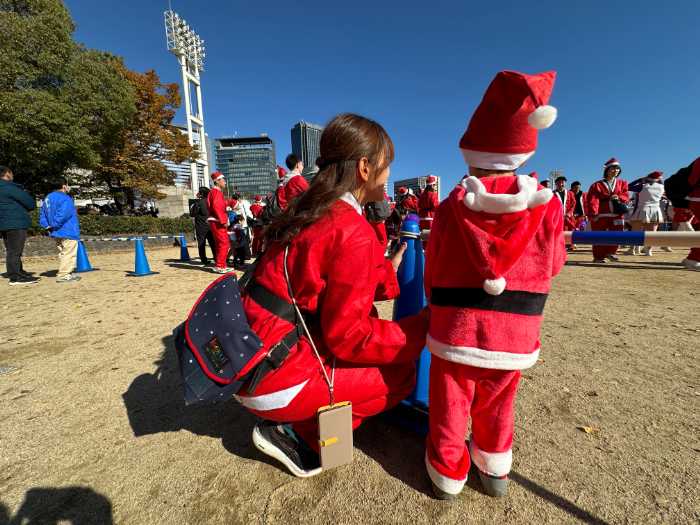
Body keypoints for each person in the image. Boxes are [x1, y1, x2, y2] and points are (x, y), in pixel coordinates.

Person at [236, 113, 429, 478]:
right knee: (400, 375)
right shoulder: (351, 228)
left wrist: (385, 266)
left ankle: (302, 421)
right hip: (276, 376)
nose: (389, 174)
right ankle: (299, 434)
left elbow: (326, 274)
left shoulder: (311, 208)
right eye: (387, 163)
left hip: (250, 355)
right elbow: (349, 337)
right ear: (364, 167)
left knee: (368, 351)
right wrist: (421, 330)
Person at [423, 70, 565, 500]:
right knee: (499, 401)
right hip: (516, 329)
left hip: (457, 325)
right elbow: (554, 264)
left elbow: (434, 265)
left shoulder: (452, 206)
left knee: (451, 401)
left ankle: (448, 472)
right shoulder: (548, 205)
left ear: (472, 153)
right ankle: (494, 467)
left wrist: (435, 302)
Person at [586, 158, 630, 263]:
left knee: (617, 234)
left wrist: (619, 197)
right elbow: (592, 200)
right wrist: (594, 213)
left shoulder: (622, 183)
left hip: (617, 214)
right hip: (602, 214)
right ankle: (598, 257)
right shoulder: (596, 185)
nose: (616, 171)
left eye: (617, 169)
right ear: (607, 170)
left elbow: (626, 195)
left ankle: (611, 252)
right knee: (598, 235)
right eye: (613, 169)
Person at [0, 166, 38, 285]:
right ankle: (15, 277)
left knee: (11, 250)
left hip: (4, 223)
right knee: (15, 251)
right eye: (11, 173)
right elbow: (30, 203)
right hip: (15, 222)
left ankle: (18, 271)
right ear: (7, 173)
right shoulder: (9, 187)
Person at [39, 177, 82, 283]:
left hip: (55, 232)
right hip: (67, 230)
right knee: (69, 253)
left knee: (63, 252)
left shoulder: (48, 198)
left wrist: (48, 226)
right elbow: (63, 215)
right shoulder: (66, 198)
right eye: (67, 185)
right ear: (64, 186)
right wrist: (54, 225)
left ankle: (66, 272)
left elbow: (42, 215)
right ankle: (64, 275)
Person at [626, 171, 665, 256]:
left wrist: (640, 179)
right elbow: (661, 182)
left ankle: (632, 249)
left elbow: (627, 187)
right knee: (652, 233)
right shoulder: (662, 187)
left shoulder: (642, 186)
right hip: (656, 210)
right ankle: (648, 251)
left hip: (642, 209)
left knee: (635, 231)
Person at [206, 171, 234, 273]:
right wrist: (223, 221)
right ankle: (220, 265)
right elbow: (217, 207)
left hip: (215, 220)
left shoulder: (213, 192)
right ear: (217, 181)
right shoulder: (216, 192)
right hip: (217, 221)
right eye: (223, 180)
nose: (225, 182)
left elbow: (216, 206)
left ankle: (221, 265)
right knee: (224, 243)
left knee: (220, 244)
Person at [189, 187, 217, 265]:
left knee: (201, 244)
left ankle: (204, 260)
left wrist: (195, 202)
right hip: (211, 225)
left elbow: (192, 214)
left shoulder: (198, 203)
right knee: (213, 243)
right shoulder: (211, 202)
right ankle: (217, 258)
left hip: (201, 226)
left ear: (200, 194)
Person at [553, 175, 576, 249]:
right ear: (556, 184)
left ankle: (570, 244)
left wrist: (569, 213)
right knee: (559, 230)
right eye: (559, 182)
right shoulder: (552, 194)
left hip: (568, 216)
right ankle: (560, 244)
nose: (561, 184)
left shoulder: (570, 193)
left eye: (563, 182)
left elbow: (573, 204)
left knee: (571, 230)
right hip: (557, 216)